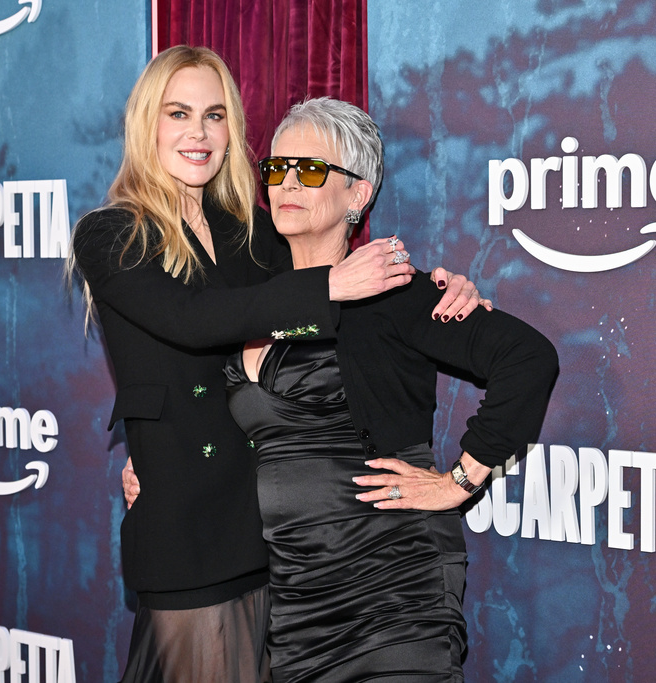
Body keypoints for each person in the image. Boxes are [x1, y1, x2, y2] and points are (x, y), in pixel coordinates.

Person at [69, 46, 486, 683]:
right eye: (178, 113)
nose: (198, 133)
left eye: (214, 116)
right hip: (187, 537)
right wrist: (152, 447)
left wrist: (444, 293)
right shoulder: (110, 235)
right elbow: (191, 322)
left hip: (275, 546)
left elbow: (326, 275)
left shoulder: (251, 232)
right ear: (146, 122)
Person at [221, 98, 559, 681]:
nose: (286, 184)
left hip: (394, 589)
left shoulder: (398, 294)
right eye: (276, 170)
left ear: (358, 194)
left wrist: (459, 482)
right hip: (295, 597)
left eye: (309, 169)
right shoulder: (255, 301)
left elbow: (528, 359)